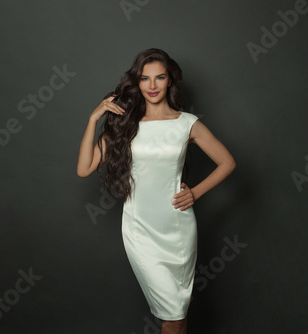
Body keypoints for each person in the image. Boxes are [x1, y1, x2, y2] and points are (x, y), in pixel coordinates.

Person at [77, 48, 236, 334]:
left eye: (159, 78)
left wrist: (196, 193)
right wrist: (93, 119)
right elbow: (84, 168)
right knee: (172, 313)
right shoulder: (127, 125)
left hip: (178, 228)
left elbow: (227, 162)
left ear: (170, 81)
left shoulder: (187, 123)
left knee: (178, 312)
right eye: (144, 79)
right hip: (139, 229)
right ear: (137, 82)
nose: (152, 86)